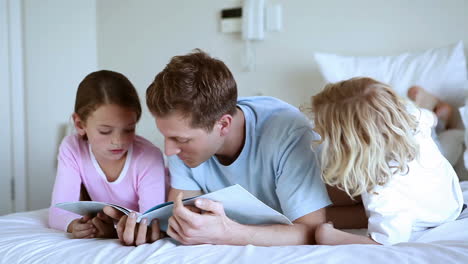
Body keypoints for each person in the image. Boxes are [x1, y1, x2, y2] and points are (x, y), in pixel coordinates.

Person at [104, 49, 331, 246]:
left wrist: (230, 233)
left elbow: (311, 229)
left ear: (223, 124)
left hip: (341, 196)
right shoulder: (181, 138)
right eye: (166, 137)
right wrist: (149, 228)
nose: (169, 150)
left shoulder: (288, 133)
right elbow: (183, 212)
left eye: (181, 140)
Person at [311, 77, 464, 246]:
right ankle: (441, 116)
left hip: (443, 211)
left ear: (350, 142)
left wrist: (331, 237)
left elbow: (386, 241)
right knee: (436, 142)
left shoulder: (383, 187)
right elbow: (430, 119)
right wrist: (435, 119)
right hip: (437, 185)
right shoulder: (410, 114)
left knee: (452, 141)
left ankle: (451, 126)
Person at [49, 70, 166, 243]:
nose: (118, 141)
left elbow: (150, 221)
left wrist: (114, 230)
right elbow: (59, 210)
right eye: (105, 131)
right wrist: (76, 225)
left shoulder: (149, 157)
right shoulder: (72, 148)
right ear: (80, 124)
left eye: (129, 129)